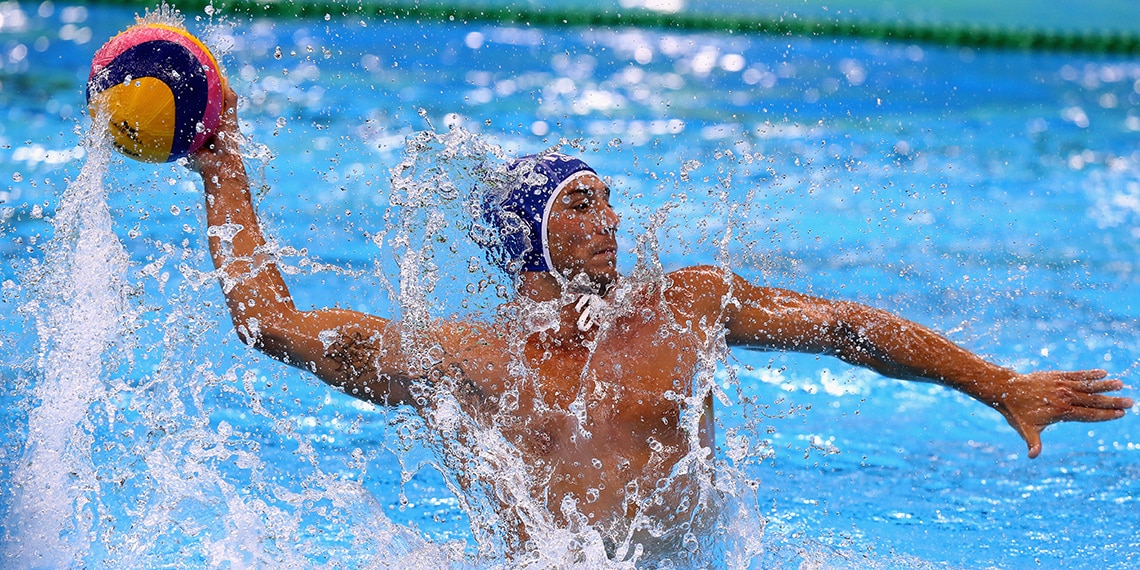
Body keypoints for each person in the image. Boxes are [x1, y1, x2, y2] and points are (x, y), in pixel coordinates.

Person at [189, 85, 1132, 561]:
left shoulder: (684, 303)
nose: (609, 224)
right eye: (581, 204)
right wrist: (220, 164)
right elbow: (274, 326)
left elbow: (851, 330)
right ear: (529, 237)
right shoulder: (466, 355)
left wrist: (999, 384)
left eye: (608, 202)